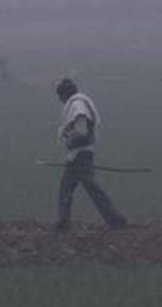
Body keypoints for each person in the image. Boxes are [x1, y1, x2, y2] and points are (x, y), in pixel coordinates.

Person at [53, 78, 127, 232]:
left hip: (80, 155)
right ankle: (63, 223)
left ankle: (115, 220)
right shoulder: (78, 103)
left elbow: (81, 131)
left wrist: (67, 135)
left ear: (63, 95)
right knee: (68, 188)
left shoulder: (77, 106)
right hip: (79, 155)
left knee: (89, 189)